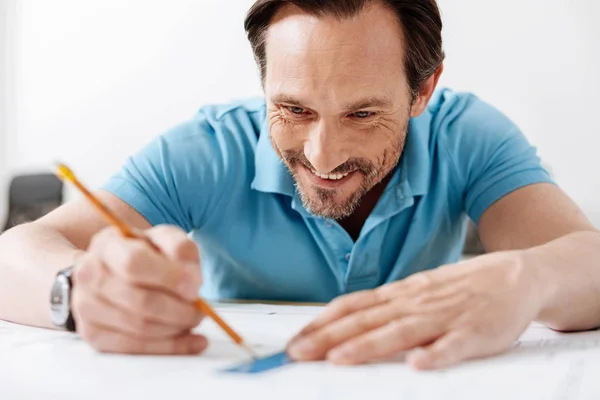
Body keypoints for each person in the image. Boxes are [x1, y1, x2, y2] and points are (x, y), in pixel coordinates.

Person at [1, 0, 599, 371]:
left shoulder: (469, 134)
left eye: (362, 114)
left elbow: (589, 264)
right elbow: (14, 255)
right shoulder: (210, 149)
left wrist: (528, 278)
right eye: (293, 109)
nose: (323, 155)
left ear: (423, 90)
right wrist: (75, 292)